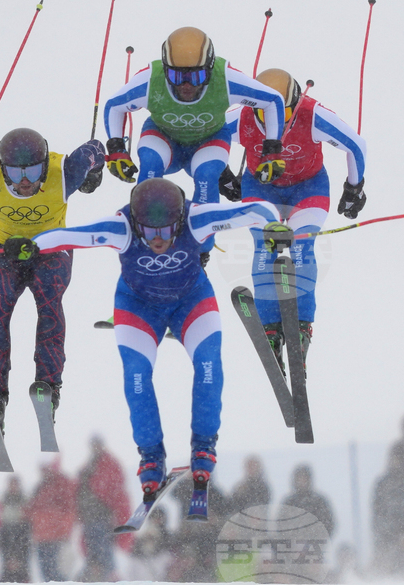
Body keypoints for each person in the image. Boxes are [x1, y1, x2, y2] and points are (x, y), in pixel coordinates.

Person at [28, 177, 284, 494]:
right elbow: (69, 236)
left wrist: (274, 227)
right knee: (137, 376)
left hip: (190, 301)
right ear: (137, 223)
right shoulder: (121, 226)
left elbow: (258, 210)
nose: (157, 239)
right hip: (138, 307)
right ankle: (151, 455)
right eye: (149, 232)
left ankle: (204, 445)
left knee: (208, 366)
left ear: (179, 220)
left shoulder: (197, 218)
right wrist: (31, 245)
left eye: (165, 231)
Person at [0, 127, 105, 432]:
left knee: (50, 307)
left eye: (35, 171)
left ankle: (49, 386)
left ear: (45, 165)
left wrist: (95, 171)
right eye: (14, 172)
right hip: (4, 251)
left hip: (51, 251)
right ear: (3, 168)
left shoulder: (66, 172)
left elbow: (95, 147)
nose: (25, 181)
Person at [227, 68, 368, 372]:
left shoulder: (312, 114)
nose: (274, 119)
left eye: (284, 111)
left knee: (302, 248)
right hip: (260, 187)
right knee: (265, 248)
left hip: (308, 188)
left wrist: (354, 186)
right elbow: (209, 139)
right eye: (264, 111)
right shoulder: (241, 116)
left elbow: (355, 144)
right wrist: (223, 174)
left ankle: (302, 329)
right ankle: (270, 330)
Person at [100, 27, 286, 206]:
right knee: (150, 167)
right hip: (163, 136)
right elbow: (115, 106)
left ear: (211, 68)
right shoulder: (150, 80)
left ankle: (203, 237)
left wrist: (272, 150)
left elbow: (272, 101)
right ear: (164, 70)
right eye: (175, 76)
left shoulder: (226, 79)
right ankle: (143, 230)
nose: (186, 85)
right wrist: (116, 149)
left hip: (208, 140)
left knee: (206, 175)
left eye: (197, 76)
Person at [76, 435, 132, 581]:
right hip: (90, 519)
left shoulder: (107, 464)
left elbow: (113, 491)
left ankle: (108, 579)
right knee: (93, 557)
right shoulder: (92, 464)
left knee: (103, 557)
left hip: (102, 518)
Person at [25, 459, 77, 582]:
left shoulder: (60, 484)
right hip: (42, 538)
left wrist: (64, 530)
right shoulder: (40, 487)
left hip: (56, 537)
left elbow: (69, 508)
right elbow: (31, 509)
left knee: (57, 573)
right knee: (47, 574)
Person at [0, 476, 31, 583]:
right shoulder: (3, 500)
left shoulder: (24, 499)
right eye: (11, 484)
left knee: (22, 566)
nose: (13, 487)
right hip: (6, 534)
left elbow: (29, 518)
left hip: (21, 533)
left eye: (15, 484)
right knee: (6, 565)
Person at [280, 464, 335, 537]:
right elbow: (280, 525)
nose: (302, 481)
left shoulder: (319, 501)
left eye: (304, 478)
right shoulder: (288, 502)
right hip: (291, 546)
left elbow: (328, 524)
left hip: (316, 545)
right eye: (299, 478)